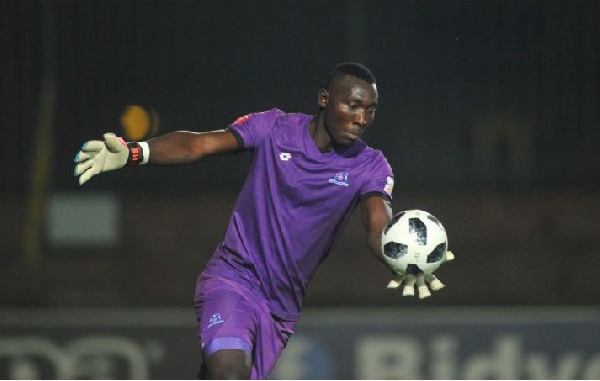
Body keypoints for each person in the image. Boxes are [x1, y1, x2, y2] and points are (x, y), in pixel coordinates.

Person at [74, 62, 453, 379]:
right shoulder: (274, 128)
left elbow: (377, 228)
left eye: (370, 109)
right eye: (353, 106)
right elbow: (200, 144)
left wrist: (398, 256)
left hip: (280, 308)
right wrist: (135, 152)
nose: (362, 118)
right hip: (234, 276)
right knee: (228, 369)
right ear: (324, 100)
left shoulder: (370, 165)